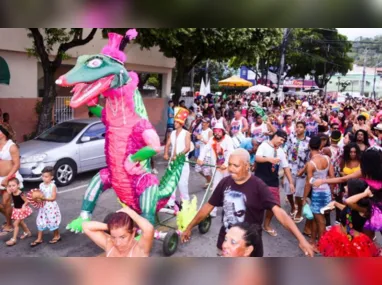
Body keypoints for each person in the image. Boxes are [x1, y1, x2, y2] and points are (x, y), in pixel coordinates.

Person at [181, 148, 314, 257]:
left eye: (236, 166)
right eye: (230, 164)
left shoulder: (259, 186)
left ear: (247, 166)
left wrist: (301, 239)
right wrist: (189, 227)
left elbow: (279, 213)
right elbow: (208, 207)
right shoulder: (225, 182)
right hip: (226, 244)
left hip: (249, 248)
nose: (230, 169)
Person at [318, 179, 380, 257]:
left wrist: (365, 193)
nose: (345, 187)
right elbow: (348, 210)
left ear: (354, 190)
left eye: (347, 186)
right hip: (341, 237)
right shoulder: (354, 205)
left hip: (352, 242)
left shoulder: (363, 208)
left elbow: (347, 201)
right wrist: (335, 203)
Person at [255, 130, 295, 237]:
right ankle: (253, 224)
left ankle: (266, 225)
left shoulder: (281, 151)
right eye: (281, 139)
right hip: (260, 179)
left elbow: (286, 167)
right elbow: (257, 158)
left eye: (284, 141)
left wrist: (291, 182)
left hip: (273, 181)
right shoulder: (264, 145)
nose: (282, 142)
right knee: (256, 204)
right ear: (275, 136)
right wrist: (270, 159)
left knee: (274, 204)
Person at [83, 205, 154, 257]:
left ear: (133, 233)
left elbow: (149, 229)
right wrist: (111, 227)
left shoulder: (139, 250)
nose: (117, 243)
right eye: (114, 237)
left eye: (122, 237)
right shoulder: (110, 244)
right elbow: (86, 226)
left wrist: (131, 213)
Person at [303, 136, 334, 252]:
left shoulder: (311, 163)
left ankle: (321, 245)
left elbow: (308, 183)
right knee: (317, 218)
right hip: (326, 191)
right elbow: (332, 176)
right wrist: (331, 192)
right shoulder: (327, 158)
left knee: (320, 221)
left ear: (310, 146)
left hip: (317, 194)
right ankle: (312, 241)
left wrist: (304, 197)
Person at [197, 122, 234, 217]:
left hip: (227, 169)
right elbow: (205, 149)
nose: (217, 133)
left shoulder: (228, 139)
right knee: (215, 188)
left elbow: (230, 152)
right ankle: (213, 210)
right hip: (216, 168)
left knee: (228, 189)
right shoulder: (212, 140)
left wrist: (226, 164)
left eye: (219, 131)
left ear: (222, 131)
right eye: (215, 131)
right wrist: (200, 158)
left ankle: (228, 209)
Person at [164, 107, 191, 209]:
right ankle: (171, 203)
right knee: (171, 182)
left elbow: (187, 148)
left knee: (182, 184)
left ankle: (185, 203)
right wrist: (166, 153)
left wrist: (178, 156)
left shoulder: (186, 133)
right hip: (172, 161)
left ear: (181, 123)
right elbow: (167, 144)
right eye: (174, 122)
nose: (174, 123)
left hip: (182, 162)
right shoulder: (172, 133)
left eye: (176, 122)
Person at [285, 121, 310, 223]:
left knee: (299, 194)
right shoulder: (291, 138)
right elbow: (286, 149)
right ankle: (292, 207)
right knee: (288, 190)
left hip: (302, 170)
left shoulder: (309, 141)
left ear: (304, 129)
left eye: (301, 127)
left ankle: (299, 211)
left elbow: (309, 158)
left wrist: (304, 170)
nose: (298, 129)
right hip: (291, 168)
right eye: (297, 127)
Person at [0, 125, 23, 236]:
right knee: (3, 205)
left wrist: (7, 178)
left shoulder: (11, 146)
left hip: (10, 178)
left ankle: (9, 225)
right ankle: (11, 218)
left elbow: (17, 164)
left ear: (4, 133)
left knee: (6, 202)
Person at [30, 166, 62, 247]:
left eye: (46, 176)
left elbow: (53, 198)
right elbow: (40, 194)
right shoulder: (41, 185)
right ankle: (39, 238)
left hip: (51, 207)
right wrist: (37, 199)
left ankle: (57, 235)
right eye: (43, 176)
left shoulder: (52, 186)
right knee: (40, 221)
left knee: (52, 221)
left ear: (51, 177)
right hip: (43, 207)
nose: (44, 178)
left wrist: (44, 198)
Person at [4, 177, 33, 246]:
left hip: (21, 210)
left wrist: (24, 206)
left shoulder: (21, 194)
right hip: (16, 210)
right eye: (10, 186)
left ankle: (14, 239)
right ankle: (27, 232)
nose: (11, 187)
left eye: (13, 185)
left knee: (15, 224)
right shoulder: (11, 191)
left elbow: (27, 201)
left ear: (18, 185)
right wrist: (7, 186)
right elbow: (6, 188)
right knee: (21, 223)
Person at [194, 118, 213, 188]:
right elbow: (202, 142)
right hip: (201, 154)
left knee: (205, 171)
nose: (202, 123)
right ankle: (209, 180)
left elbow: (210, 144)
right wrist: (198, 144)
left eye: (204, 122)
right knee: (197, 169)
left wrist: (201, 139)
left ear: (208, 124)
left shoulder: (209, 131)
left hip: (207, 154)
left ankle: (210, 181)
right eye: (202, 122)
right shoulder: (201, 131)